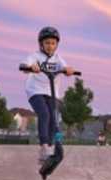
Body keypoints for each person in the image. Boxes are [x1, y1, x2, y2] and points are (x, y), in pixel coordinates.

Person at [21, 26, 75, 164]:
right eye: (47, 43)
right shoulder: (35, 56)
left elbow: (65, 68)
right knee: (44, 114)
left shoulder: (58, 59)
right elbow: (24, 66)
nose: (50, 46)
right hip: (35, 91)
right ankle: (43, 146)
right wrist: (31, 67)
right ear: (41, 44)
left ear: (56, 45)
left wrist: (68, 70)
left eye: (53, 43)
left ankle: (51, 146)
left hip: (51, 93)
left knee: (54, 117)